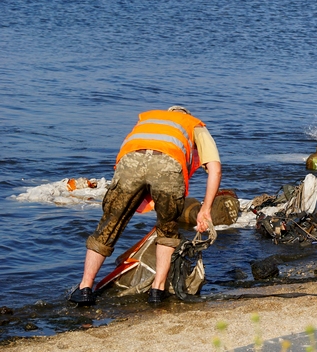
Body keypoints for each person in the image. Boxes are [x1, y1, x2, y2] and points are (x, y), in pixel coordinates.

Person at [69, 106, 222, 306]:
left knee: (108, 227)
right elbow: (215, 169)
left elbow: (136, 155)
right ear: (186, 114)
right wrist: (205, 210)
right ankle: (157, 291)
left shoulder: (148, 119)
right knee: (167, 231)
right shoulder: (193, 125)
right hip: (167, 167)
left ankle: (85, 289)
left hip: (130, 164)